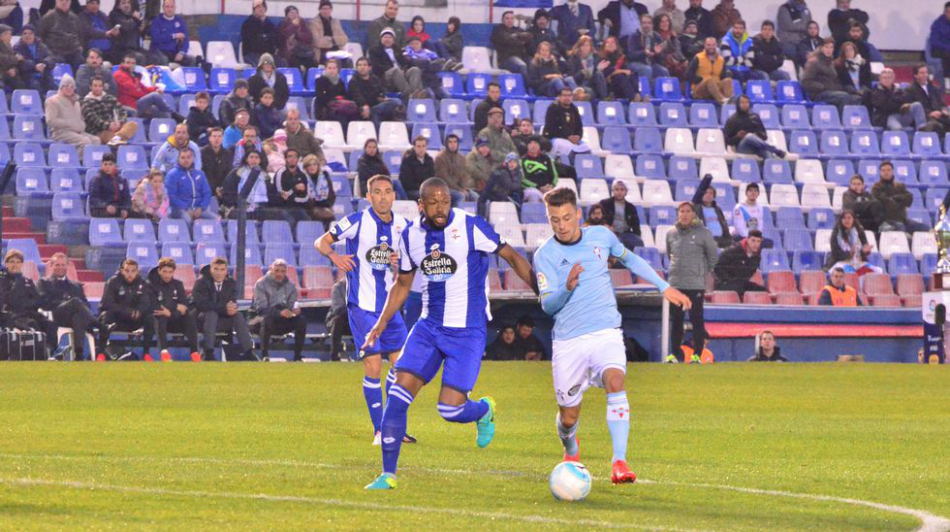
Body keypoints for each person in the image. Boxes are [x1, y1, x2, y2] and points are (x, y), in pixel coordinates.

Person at [363, 178, 538, 490]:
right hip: (429, 328)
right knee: (398, 394)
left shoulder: (472, 226)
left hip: (468, 332)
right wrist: (380, 323)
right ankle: (388, 474)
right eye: (434, 202)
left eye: (445, 201)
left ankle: (484, 410)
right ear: (421, 205)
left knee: (450, 409)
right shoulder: (411, 235)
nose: (441, 207)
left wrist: (541, 289)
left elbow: (511, 256)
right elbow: (403, 284)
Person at [534, 186, 689, 483]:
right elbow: (548, 306)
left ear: (578, 215)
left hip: (606, 330)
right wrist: (566, 287)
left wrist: (663, 286)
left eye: (567, 217)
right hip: (569, 341)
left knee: (616, 382)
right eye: (554, 220)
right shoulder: (546, 256)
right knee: (568, 417)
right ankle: (570, 447)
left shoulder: (601, 237)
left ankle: (620, 462)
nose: (562, 225)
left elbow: (630, 259)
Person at [315, 173, 418, 444]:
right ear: (369, 196)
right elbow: (321, 241)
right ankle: (379, 431)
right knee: (373, 365)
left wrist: (401, 262)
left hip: (391, 307)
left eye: (387, 191)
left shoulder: (404, 226)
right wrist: (335, 256)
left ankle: (393, 425)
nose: (383, 197)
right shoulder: (357, 221)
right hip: (362, 306)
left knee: (402, 369)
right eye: (377, 192)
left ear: (394, 196)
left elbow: (412, 261)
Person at [666, 202, 717, 364]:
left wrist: (701, 272)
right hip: (676, 284)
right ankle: (675, 355)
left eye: (688, 211)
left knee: (696, 320)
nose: (685, 214)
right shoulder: (671, 233)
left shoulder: (704, 233)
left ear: (693, 214)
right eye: (682, 211)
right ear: (678, 214)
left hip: (695, 284)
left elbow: (713, 257)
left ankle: (697, 355)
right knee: (676, 321)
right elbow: (669, 254)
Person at [190, 257, 255, 361]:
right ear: (211, 269)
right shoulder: (201, 282)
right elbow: (202, 304)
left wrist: (232, 308)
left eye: (222, 270)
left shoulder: (230, 283)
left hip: (221, 320)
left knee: (237, 315)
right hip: (201, 320)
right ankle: (209, 352)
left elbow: (231, 301)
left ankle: (249, 352)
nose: (219, 273)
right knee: (211, 313)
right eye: (216, 269)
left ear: (226, 271)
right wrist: (224, 308)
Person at [37, 253, 99, 361]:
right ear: (51, 266)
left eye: (63, 265)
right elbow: (43, 303)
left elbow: (86, 305)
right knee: (75, 301)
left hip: (70, 319)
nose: (60, 267)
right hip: (52, 317)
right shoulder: (43, 283)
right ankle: (100, 326)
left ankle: (79, 354)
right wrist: (65, 303)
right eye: (57, 265)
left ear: (67, 266)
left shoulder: (76, 285)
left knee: (78, 317)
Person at [0, 250, 57, 359]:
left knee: (50, 325)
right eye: (11, 262)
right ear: (6, 264)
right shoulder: (3, 281)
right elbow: (8, 300)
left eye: (17, 262)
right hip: (12, 315)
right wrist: (17, 284)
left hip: (30, 313)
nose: (14, 265)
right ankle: (41, 354)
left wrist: (26, 304)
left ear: (21, 264)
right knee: (32, 324)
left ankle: (50, 351)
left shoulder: (27, 281)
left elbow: (37, 300)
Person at [98, 258, 154, 360]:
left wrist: (139, 311)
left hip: (134, 320)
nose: (130, 274)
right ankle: (101, 353)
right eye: (127, 271)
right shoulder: (113, 282)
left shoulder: (142, 284)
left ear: (137, 272)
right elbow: (106, 303)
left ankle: (146, 353)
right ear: (122, 271)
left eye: (133, 271)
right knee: (106, 315)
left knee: (150, 318)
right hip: (117, 319)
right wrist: (128, 311)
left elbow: (145, 303)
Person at [251, 259, 306, 361]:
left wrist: (294, 311)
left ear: (286, 272)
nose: (279, 274)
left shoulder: (291, 285)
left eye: (282, 271)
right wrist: (280, 313)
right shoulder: (261, 284)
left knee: (301, 321)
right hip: (260, 319)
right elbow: (261, 308)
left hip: (283, 319)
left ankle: (297, 356)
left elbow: (292, 304)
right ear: (271, 270)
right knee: (266, 319)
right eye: (276, 270)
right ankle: (265, 355)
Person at [146, 257, 200, 362]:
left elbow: (184, 305)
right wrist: (175, 307)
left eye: (170, 272)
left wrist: (171, 312)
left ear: (173, 272)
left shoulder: (178, 284)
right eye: (164, 271)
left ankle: (195, 353)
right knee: (160, 315)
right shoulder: (151, 284)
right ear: (159, 271)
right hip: (157, 321)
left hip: (174, 318)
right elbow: (155, 305)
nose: (167, 275)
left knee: (188, 317)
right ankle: (164, 353)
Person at [801, 38, 862, 110]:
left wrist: (845, 88)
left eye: (831, 47)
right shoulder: (814, 62)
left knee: (856, 98)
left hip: (832, 92)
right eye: (826, 47)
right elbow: (805, 82)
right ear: (821, 48)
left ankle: (853, 119)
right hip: (819, 94)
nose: (829, 50)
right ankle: (841, 119)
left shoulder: (831, 63)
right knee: (843, 96)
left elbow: (835, 81)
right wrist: (822, 87)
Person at [114, 53, 177, 120]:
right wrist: (149, 98)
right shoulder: (119, 75)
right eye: (128, 62)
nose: (131, 65)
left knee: (160, 110)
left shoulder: (132, 75)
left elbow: (143, 88)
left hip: (136, 103)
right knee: (154, 96)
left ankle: (171, 125)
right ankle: (175, 115)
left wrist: (155, 89)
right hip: (129, 106)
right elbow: (135, 91)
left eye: (133, 63)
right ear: (122, 64)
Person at [45, 73, 100, 149]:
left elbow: (81, 119)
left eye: (71, 86)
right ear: (61, 87)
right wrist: (68, 123)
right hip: (61, 132)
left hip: (77, 132)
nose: (69, 88)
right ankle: (78, 160)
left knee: (96, 140)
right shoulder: (52, 101)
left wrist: (81, 125)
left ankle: (90, 161)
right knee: (84, 141)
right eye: (66, 86)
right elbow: (50, 120)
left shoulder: (76, 103)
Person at [872, 161, 929, 235]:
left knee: (925, 228)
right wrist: (900, 201)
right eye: (883, 170)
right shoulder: (876, 187)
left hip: (903, 220)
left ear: (892, 171)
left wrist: (896, 198)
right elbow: (887, 203)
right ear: (880, 173)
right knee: (901, 228)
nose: (886, 172)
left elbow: (909, 198)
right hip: (887, 221)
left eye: (888, 170)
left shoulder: (900, 185)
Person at [368, 28, 425, 100]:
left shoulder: (396, 49)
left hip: (401, 73)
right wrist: (391, 69)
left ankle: (416, 93)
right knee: (396, 71)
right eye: (385, 37)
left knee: (415, 70)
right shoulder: (374, 50)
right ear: (381, 38)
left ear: (393, 40)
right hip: (385, 76)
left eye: (390, 37)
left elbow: (404, 62)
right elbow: (376, 67)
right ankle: (409, 94)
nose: (387, 39)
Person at [349, 57, 402, 130]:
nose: (362, 67)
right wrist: (364, 105)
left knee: (397, 101)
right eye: (359, 65)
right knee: (375, 112)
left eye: (364, 65)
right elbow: (356, 96)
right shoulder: (353, 81)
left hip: (377, 105)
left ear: (369, 67)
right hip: (363, 107)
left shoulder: (374, 79)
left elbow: (381, 91)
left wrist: (382, 97)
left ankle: (398, 127)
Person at [82, 75, 136, 146]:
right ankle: (118, 138)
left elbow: (122, 112)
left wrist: (119, 122)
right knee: (106, 134)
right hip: (99, 131)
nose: (97, 88)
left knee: (132, 124)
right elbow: (94, 120)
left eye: (100, 86)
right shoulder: (86, 102)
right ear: (90, 87)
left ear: (102, 87)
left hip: (115, 127)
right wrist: (109, 126)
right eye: (95, 86)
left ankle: (116, 138)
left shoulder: (110, 98)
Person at [165, 147, 214, 223]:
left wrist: (201, 207)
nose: (186, 160)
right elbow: (171, 196)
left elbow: (207, 193)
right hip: (179, 209)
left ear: (193, 158)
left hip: (199, 208)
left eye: (188, 157)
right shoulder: (172, 175)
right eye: (183, 157)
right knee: (187, 220)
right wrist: (186, 208)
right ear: (178, 159)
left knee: (215, 220)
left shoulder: (200, 174)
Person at [823, 209, 880, 275]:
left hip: (858, 262)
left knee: (877, 271)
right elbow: (835, 253)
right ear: (841, 220)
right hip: (841, 263)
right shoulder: (836, 234)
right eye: (844, 218)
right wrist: (850, 254)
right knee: (851, 273)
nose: (847, 220)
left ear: (853, 219)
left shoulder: (860, 232)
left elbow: (864, 249)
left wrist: (864, 252)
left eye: (849, 218)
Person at [713, 229, 765, 297]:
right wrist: (729, 279)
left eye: (758, 241)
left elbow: (749, 273)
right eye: (753, 240)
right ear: (747, 240)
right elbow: (717, 267)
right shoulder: (733, 250)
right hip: (724, 283)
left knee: (762, 291)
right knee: (739, 289)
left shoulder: (756, 257)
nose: (756, 244)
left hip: (742, 283)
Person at [221, 149, 270, 219]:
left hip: (259, 208)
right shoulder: (236, 173)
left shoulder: (265, 176)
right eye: (251, 157)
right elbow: (228, 193)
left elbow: (268, 195)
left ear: (260, 160)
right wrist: (240, 204)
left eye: (256, 158)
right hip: (237, 207)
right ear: (246, 159)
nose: (254, 160)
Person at [109, 0, 161, 66]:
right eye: (123, 3)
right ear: (118, 5)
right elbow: (126, 26)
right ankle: (137, 76)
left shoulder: (131, 15)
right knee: (140, 58)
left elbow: (138, 29)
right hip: (122, 50)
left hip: (135, 49)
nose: (126, 5)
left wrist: (143, 26)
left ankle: (148, 76)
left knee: (155, 58)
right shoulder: (114, 14)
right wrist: (135, 18)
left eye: (128, 3)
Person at [544, 86, 588, 161]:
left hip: (572, 139)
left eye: (569, 95)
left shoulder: (574, 109)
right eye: (564, 95)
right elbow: (552, 128)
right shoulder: (553, 108)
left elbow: (579, 126)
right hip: (555, 138)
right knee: (569, 149)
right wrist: (568, 136)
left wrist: (578, 136)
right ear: (559, 97)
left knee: (586, 149)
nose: (567, 98)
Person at [37, 0, 84, 69]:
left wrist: (80, 48)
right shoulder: (48, 17)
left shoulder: (75, 18)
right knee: (59, 62)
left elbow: (80, 36)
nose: (64, 2)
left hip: (74, 52)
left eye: (67, 0)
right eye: (61, 0)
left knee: (81, 62)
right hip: (55, 52)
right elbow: (41, 36)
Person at [598, 180, 643, 250]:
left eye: (622, 190)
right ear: (613, 191)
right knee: (618, 243)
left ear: (626, 192)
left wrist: (637, 236)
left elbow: (636, 226)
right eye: (617, 189)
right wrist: (605, 226)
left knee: (639, 242)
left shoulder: (631, 207)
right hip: (610, 233)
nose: (619, 192)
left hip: (626, 234)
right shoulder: (604, 204)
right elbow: (597, 219)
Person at [627, 13, 670, 87]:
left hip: (651, 63)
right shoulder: (634, 36)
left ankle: (665, 94)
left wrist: (658, 53)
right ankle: (645, 94)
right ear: (640, 24)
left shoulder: (657, 36)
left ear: (652, 25)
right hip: (635, 63)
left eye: (649, 23)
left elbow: (661, 59)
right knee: (647, 69)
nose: (646, 25)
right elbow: (630, 56)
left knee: (663, 71)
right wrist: (644, 53)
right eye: (644, 23)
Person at [905, 64, 950, 134]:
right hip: (924, 118)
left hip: (939, 115)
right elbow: (913, 109)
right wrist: (930, 113)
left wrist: (943, 110)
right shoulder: (910, 90)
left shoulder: (933, 88)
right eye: (922, 73)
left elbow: (941, 103)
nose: (925, 75)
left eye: (926, 72)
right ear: (915, 75)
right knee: (936, 126)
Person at [687, 36, 733, 104]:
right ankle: (723, 101)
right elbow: (688, 74)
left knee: (728, 80)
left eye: (713, 45)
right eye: (708, 45)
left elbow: (723, 76)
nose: (711, 47)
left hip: (715, 89)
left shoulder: (721, 60)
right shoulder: (698, 57)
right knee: (709, 80)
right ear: (705, 45)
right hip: (699, 90)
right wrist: (700, 79)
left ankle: (731, 103)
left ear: (716, 46)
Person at [434, 134, 476, 206]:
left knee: (476, 197)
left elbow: (464, 176)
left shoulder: (461, 158)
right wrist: (460, 190)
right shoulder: (440, 158)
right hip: (445, 188)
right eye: (450, 142)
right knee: (460, 196)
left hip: (459, 188)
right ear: (446, 144)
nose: (453, 144)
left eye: (455, 142)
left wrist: (464, 188)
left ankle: (479, 216)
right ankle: (458, 216)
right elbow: (445, 178)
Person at [691, 174, 732, 248]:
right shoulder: (697, 208)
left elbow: (724, 224)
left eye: (711, 193)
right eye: (706, 193)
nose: (708, 195)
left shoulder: (717, 209)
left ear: (714, 196)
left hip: (721, 240)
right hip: (705, 241)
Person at [478, 152, 523, 217]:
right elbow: (508, 185)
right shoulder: (502, 172)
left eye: (514, 162)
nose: (512, 164)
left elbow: (516, 185)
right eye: (510, 162)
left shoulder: (518, 173)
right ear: (506, 163)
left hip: (510, 194)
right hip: (498, 195)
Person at [491, 11, 532, 81]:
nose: (510, 20)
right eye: (507, 18)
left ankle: (536, 89)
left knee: (533, 65)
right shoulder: (498, 30)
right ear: (502, 20)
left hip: (521, 56)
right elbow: (506, 39)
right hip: (506, 59)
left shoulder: (518, 29)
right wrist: (519, 38)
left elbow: (529, 36)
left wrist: (516, 36)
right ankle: (527, 88)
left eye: (511, 18)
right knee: (522, 66)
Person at [149, 0, 193, 66]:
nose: (170, 9)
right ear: (163, 8)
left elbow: (186, 39)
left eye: (171, 7)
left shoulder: (180, 20)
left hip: (174, 52)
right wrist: (173, 36)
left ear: (175, 8)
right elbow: (156, 38)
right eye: (167, 7)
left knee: (191, 60)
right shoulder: (156, 21)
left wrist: (182, 52)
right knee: (164, 60)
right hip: (159, 51)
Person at [88, 153, 132, 218]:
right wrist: (106, 206)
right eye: (105, 164)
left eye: (110, 164)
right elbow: (94, 198)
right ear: (101, 166)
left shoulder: (122, 180)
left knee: (139, 215)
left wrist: (125, 209)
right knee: (109, 214)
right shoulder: (97, 180)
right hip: (100, 209)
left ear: (115, 166)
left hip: (118, 208)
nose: (107, 167)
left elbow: (127, 198)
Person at [314, 59, 356, 126]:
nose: (332, 70)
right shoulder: (320, 81)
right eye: (329, 68)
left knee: (353, 116)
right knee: (341, 118)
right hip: (325, 109)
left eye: (334, 68)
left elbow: (345, 95)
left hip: (339, 108)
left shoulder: (340, 82)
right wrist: (336, 99)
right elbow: (322, 96)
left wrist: (338, 100)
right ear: (326, 69)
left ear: (337, 69)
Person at [14, 24, 54, 93]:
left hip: (43, 73)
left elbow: (51, 58)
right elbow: (21, 64)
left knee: (53, 86)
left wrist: (44, 64)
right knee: (36, 86)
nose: (27, 35)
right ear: (21, 35)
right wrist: (35, 66)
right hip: (28, 75)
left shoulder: (41, 45)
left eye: (30, 33)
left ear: (34, 35)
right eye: (25, 33)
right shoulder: (17, 48)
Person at [599, 35, 641, 101]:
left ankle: (637, 95)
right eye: (608, 42)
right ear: (604, 46)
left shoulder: (620, 58)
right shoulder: (601, 58)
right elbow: (607, 73)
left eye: (612, 42)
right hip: (609, 86)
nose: (610, 44)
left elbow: (627, 72)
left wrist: (623, 71)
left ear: (616, 46)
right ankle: (633, 98)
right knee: (620, 77)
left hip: (622, 86)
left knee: (633, 75)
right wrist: (622, 71)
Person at [567, 35, 608, 101]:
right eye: (583, 45)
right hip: (580, 84)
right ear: (579, 47)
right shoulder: (574, 58)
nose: (585, 48)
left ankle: (605, 99)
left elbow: (599, 76)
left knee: (598, 73)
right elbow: (572, 77)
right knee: (590, 91)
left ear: (591, 47)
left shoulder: (595, 57)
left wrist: (598, 69)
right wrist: (583, 72)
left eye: (587, 45)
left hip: (593, 82)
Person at [241, 0, 280, 68]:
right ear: (254, 10)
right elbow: (250, 40)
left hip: (267, 53)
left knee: (281, 63)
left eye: (263, 7)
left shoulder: (269, 24)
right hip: (252, 53)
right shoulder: (248, 23)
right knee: (260, 65)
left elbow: (274, 38)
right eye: (258, 7)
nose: (261, 9)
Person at [301, 154, 335, 228]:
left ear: (318, 166)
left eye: (314, 164)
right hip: (309, 208)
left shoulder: (325, 176)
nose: (312, 167)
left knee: (330, 217)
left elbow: (331, 195)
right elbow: (304, 198)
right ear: (305, 167)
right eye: (309, 165)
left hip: (325, 206)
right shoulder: (302, 178)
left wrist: (324, 203)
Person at [309, 0, 347, 66]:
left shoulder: (336, 22)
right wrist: (334, 41)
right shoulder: (313, 23)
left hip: (337, 51)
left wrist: (331, 39)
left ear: (331, 10)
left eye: (328, 9)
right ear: (319, 10)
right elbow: (317, 42)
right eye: (323, 9)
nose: (326, 11)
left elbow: (344, 39)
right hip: (322, 53)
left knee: (347, 61)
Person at [276, 5, 314, 71]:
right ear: (287, 14)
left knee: (312, 64)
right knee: (294, 64)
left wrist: (297, 35)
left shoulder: (303, 23)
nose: (294, 14)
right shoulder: (282, 24)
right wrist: (293, 25)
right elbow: (283, 36)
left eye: (296, 13)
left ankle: (308, 80)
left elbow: (309, 37)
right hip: (289, 53)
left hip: (303, 51)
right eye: (291, 12)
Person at [399, 136, 434, 201]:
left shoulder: (429, 160)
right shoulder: (407, 161)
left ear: (426, 147)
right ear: (414, 147)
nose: (421, 149)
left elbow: (432, 178)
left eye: (423, 146)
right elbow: (406, 182)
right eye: (418, 146)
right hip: (412, 191)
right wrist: (423, 187)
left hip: (426, 190)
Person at [654, 13, 688, 80]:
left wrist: (683, 60)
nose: (665, 23)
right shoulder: (655, 35)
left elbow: (678, 51)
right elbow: (660, 53)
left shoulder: (672, 34)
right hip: (661, 61)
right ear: (658, 23)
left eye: (667, 21)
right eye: (662, 22)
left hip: (674, 60)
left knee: (687, 67)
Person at [201, 128, 233, 200]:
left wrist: (222, 188)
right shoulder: (202, 153)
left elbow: (228, 173)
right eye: (214, 136)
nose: (217, 139)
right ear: (209, 138)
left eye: (219, 136)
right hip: (207, 187)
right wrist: (214, 188)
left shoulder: (227, 153)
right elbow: (203, 173)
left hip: (223, 188)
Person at [930, 2, 950, 81]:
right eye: (948, 12)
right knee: (947, 55)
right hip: (938, 49)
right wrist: (948, 47)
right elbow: (934, 41)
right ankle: (947, 79)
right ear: (945, 12)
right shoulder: (938, 23)